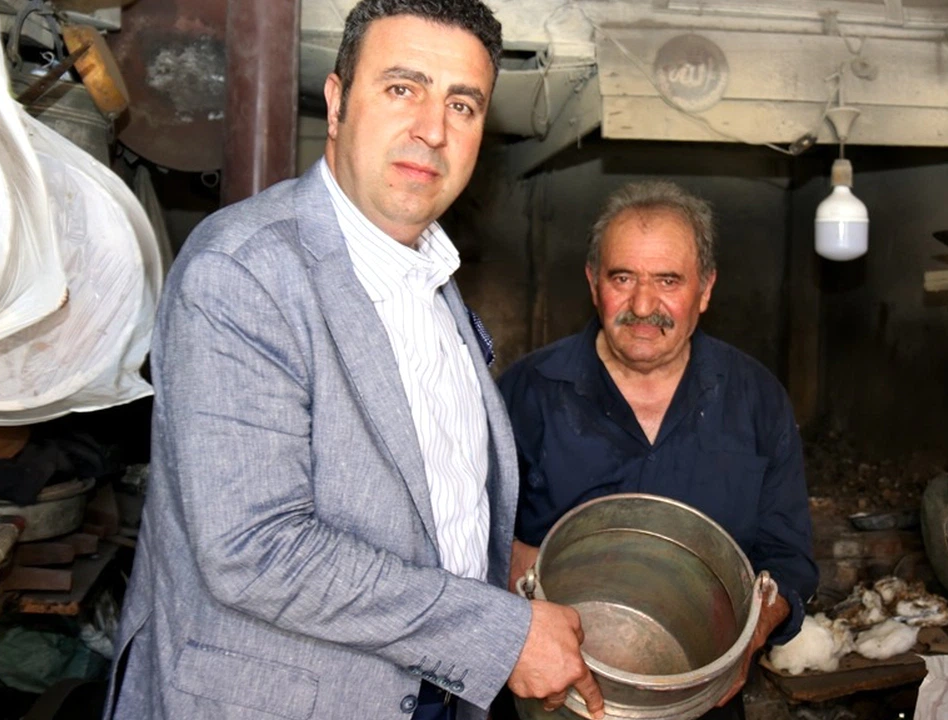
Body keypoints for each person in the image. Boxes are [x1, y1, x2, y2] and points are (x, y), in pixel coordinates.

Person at [104, 2, 603, 719]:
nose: (433, 128)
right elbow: (255, 547)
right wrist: (498, 635)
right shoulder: (244, 270)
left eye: (462, 105)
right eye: (402, 88)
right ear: (337, 103)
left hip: (438, 685)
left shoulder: (432, 278)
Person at [498, 180, 820, 719]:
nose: (643, 305)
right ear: (593, 283)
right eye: (622, 278)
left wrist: (753, 633)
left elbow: (789, 559)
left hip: (701, 704)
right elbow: (463, 542)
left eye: (668, 280)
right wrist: (516, 567)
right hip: (553, 701)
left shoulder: (756, 399)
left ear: (706, 289)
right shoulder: (526, 393)